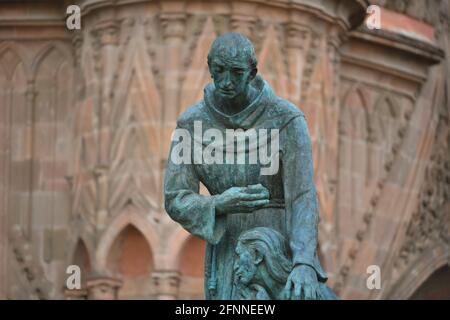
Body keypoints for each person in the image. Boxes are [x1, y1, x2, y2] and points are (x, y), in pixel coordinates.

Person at [164, 32, 330, 299]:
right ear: (209, 68)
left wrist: (304, 262)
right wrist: (218, 204)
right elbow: (175, 198)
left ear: (252, 73)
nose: (227, 81)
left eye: (237, 72)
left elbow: (302, 197)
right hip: (229, 251)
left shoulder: (286, 119)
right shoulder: (192, 125)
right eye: (219, 70)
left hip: (279, 250)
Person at [233, 227, 337, 300]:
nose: (235, 266)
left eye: (239, 256)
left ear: (257, 255)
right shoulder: (255, 294)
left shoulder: (310, 291)